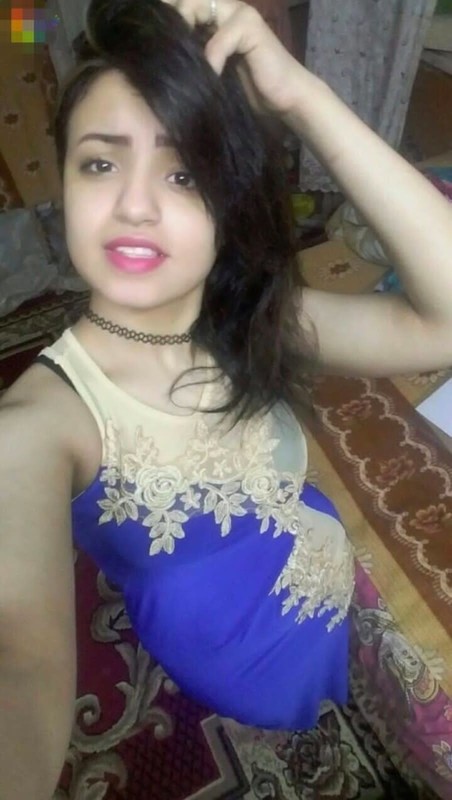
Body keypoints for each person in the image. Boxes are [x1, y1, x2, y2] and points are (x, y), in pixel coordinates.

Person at [1, 0, 451, 797]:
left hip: (327, 585)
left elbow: (442, 323)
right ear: (65, 183)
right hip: (242, 671)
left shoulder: (250, 315)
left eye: (183, 173)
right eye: (100, 164)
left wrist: (303, 96)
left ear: (228, 195)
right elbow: (22, 672)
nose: (135, 205)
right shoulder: (39, 429)